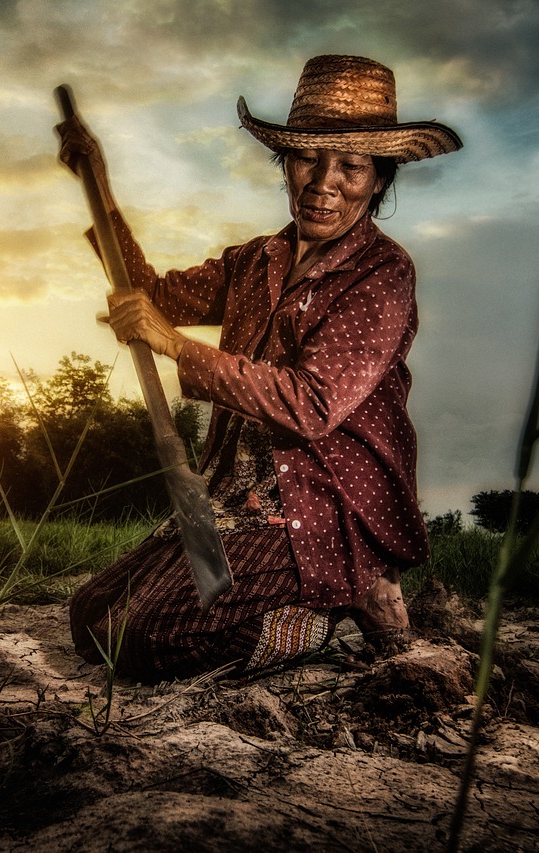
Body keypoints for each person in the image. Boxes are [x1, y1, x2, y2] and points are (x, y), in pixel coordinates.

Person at [57, 55, 462, 682]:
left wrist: (173, 346)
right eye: (306, 159)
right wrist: (99, 182)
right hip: (231, 498)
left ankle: (330, 616)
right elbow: (147, 295)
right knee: (90, 620)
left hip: (317, 506)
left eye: (352, 166)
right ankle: (303, 600)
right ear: (285, 164)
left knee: (144, 640)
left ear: (379, 179)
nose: (323, 183)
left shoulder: (383, 273)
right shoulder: (257, 259)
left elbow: (311, 405)